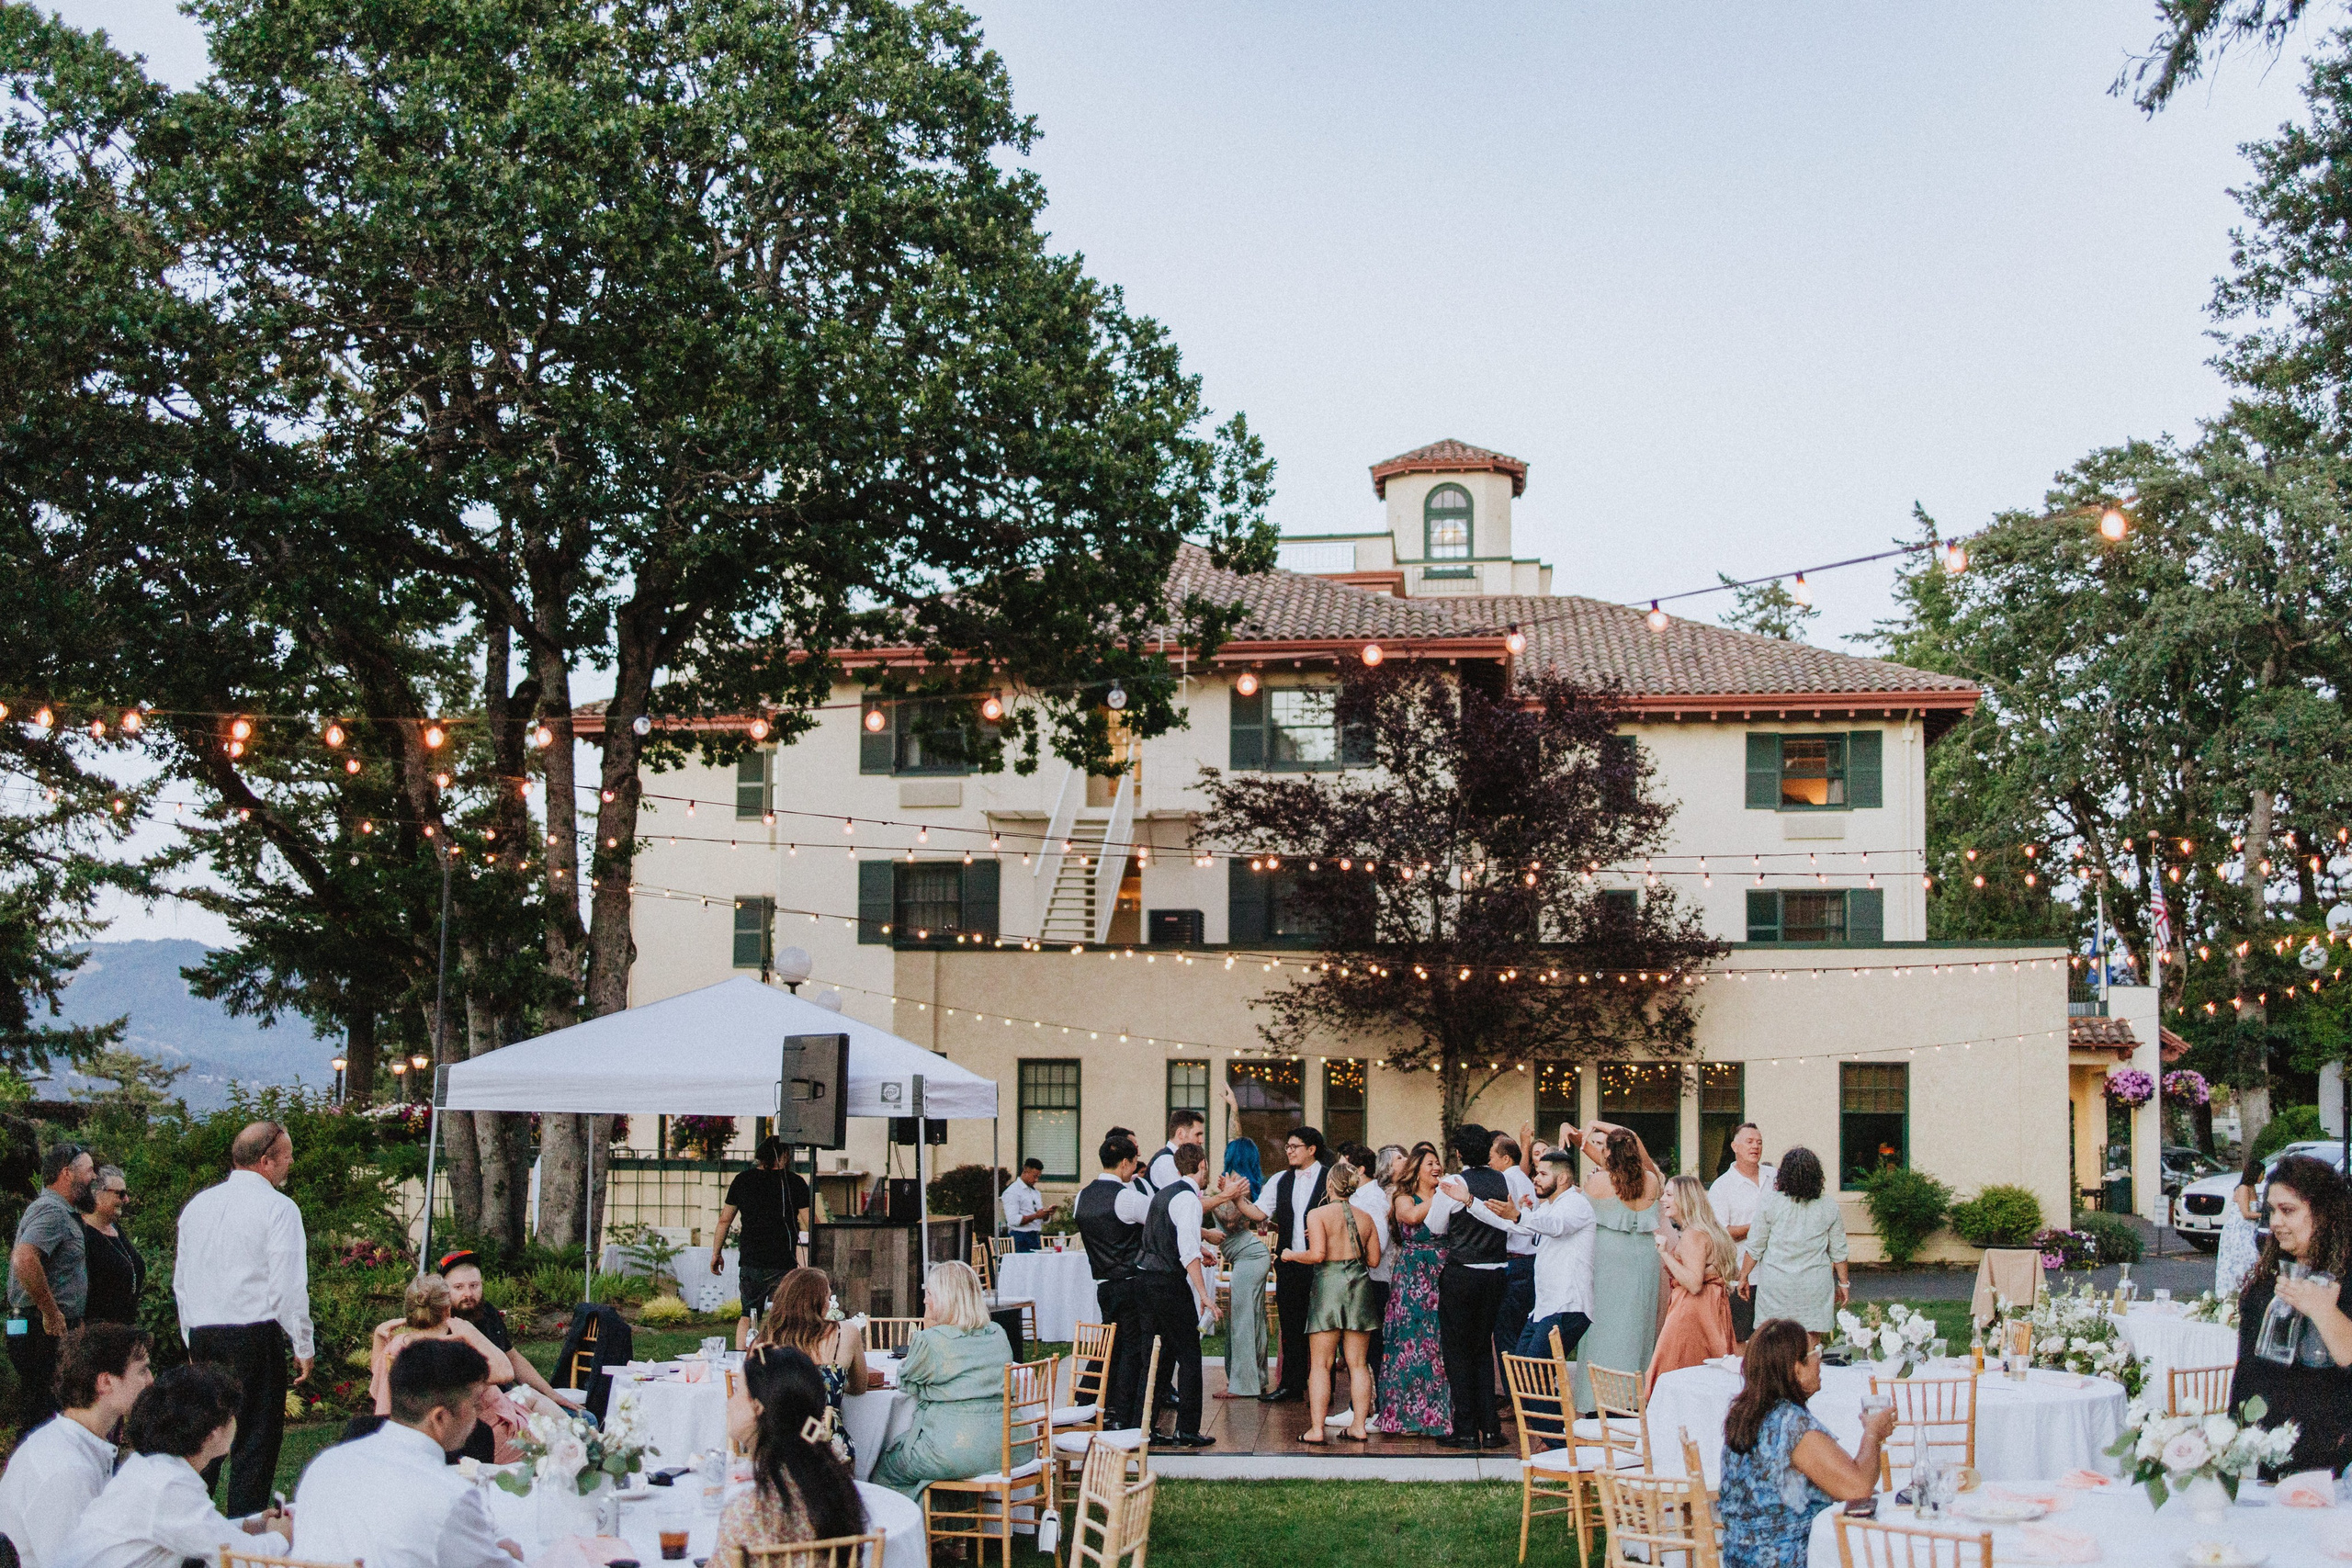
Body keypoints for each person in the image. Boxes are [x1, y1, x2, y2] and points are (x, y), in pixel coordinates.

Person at [171, 1119, 311, 1517]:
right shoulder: (279, 1208)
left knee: (204, 1441)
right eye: (286, 1156)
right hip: (253, 1336)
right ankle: (244, 1540)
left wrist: (191, 1338)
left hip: (204, 1334)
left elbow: (182, 1282)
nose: (291, 1163)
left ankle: (189, 1536)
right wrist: (303, 1343)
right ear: (266, 1161)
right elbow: (286, 1288)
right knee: (254, 1443)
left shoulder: (197, 1206)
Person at [292, 1337, 526, 1566]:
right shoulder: (450, 1495)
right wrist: (509, 1554)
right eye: (475, 1405)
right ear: (440, 1418)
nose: (477, 1415)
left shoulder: (327, 1464)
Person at [54, 1364, 291, 1568]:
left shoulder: (153, 1469)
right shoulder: (170, 1485)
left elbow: (201, 1531)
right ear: (213, 1432)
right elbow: (239, 1560)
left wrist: (248, 1525)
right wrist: (281, 1537)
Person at [1717, 1319, 1894, 1568]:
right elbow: (1858, 1489)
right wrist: (1873, 1435)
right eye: (1815, 1353)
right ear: (1795, 1369)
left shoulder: (1744, 1414)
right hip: (1789, 1559)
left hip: (1741, 1558)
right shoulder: (1790, 1424)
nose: (1820, 1360)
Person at [2230, 1153, 2352, 1476]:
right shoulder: (2268, 1279)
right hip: (2268, 1447)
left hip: (2332, 1456)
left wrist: (2322, 1309)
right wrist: (2234, 1436)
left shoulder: (2347, 1278)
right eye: (2271, 1210)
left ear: (2325, 1214)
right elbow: (2248, 1370)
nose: (2275, 1222)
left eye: (2288, 1210)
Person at [0, 1324, 153, 1568]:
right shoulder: (68, 1470)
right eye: (142, 1371)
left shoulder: (77, 1445)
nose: (150, 1381)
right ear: (106, 1382)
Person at [869, 1261, 1015, 1498]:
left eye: (929, 1294)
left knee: (885, 1466)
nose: (925, 1300)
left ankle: (912, 1530)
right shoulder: (998, 1332)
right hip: (1009, 1447)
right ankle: (955, 1526)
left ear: (946, 1298)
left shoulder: (931, 1340)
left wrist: (928, 1328)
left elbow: (906, 1383)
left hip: (953, 1450)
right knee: (934, 1470)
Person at [718, 1345, 868, 1558]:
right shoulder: (839, 1494)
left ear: (758, 1407)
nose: (729, 1403)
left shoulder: (747, 1514)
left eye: (738, 1392)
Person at [368, 1273, 520, 1461]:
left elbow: (379, 1374)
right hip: (475, 1442)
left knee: (533, 1401)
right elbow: (506, 1372)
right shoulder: (452, 1351)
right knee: (548, 1435)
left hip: (424, 1437)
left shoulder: (399, 1346)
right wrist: (472, 1332)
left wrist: (378, 1337)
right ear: (448, 1310)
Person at [1428, 1123, 1513, 1449]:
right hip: (1496, 1272)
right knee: (1481, 1349)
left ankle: (1465, 1429)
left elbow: (1435, 1226)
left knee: (1458, 1352)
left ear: (1460, 1152)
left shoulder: (1454, 1183)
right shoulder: (1500, 1179)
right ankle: (1490, 1429)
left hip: (1463, 1272)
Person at [1136, 1143, 1225, 1448]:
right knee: (1189, 1353)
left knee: (1157, 1356)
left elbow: (1167, 1234)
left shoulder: (1163, 1193)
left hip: (1144, 1280)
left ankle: (1144, 1426)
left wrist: (1199, 1250)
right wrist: (1204, 1294)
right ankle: (1187, 1429)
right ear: (1201, 1165)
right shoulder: (1189, 1199)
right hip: (1167, 1283)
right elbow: (1187, 1252)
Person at [1286, 1159, 1381, 1444]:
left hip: (1328, 1287)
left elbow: (1317, 1255)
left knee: (1321, 1364)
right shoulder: (1366, 1218)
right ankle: (1359, 1426)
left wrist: (1291, 1255)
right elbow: (1374, 1260)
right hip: (1359, 1286)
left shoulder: (1317, 1214)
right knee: (1358, 1364)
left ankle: (1316, 1430)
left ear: (1330, 1184)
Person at [1574, 1122, 1662, 1415]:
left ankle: (1598, 1400)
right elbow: (1632, 1136)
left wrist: (1590, 1128)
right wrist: (1601, 1126)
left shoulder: (1598, 1183)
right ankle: (1631, 1399)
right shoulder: (1652, 1180)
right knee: (1638, 1326)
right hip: (1644, 1257)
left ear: (1608, 1154)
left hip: (1609, 1257)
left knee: (1605, 1328)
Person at [10, 1142, 95, 1431]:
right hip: (40, 1330)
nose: (94, 1177)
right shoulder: (52, 1210)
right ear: (66, 1174)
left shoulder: (63, 1212)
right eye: (89, 1170)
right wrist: (51, 1311)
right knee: (42, 1416)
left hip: (45, 1327)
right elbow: (24, 1257)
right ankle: (28, 1474)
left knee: (46, 1411)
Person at [1072, 1130, 1153, 1428]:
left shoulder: (1082, 1196)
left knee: (1111, 1346)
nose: (1135, 1169)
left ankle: (1094, 1406)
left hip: (1103, 1284)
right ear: (1124, 1164)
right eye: (1134, 1163)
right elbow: (1161, 1221)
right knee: (1132, 1348)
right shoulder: (1127, 1198)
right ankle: (1121, 1413)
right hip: (1132, 1281)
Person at [1371, 1142, 1453, 1437]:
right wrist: (1442, 1194)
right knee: (1408, 1342)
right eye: (1429, 1163)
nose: (1436, 1167)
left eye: (1438, 1163)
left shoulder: (1448, 1197)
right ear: (1416, 1169)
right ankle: (1404, 1415)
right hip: (1412, 1275)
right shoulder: (1404, 1197)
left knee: (1437, 1343)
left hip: (1443, 1273)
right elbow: (1412, 1217)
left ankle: (1437, 1414)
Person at [754, 1266, 870, 1467]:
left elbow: (752, 1393)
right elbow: (860, 1387)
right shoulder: (845, 1333)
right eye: (827, 1297)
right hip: (827, 1447)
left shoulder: (765, 1339)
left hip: (775, 1446)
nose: (829, 1302)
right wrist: (833, 1385)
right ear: (818, 1303)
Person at [1736, 1146, 1849, 1342]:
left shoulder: (1770, 1202)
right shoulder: (1828, 1205)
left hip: (1776, 1287)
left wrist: (1743, 1277)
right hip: (1814, 1286)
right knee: (1810, 1345)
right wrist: (1844, 1283)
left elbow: (1755, 1246)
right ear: (1817, 1175)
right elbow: (1838, 1251)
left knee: (1774, 1342)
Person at [714, 1136, 813, 1346]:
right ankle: (781, 1359)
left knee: (748, 1315)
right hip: (783, 1261)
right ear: (784, 1156)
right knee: (785, 1315)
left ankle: (741, 1359)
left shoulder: (742, 1180)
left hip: (751, 1260)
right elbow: (811, 1223)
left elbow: (724, 1220)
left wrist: (716, 1253)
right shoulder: (794, 1182)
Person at [1646, 1174, 1738, 1395]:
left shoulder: (1693, 1235)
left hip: (1692, 1314)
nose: (1662, 1199)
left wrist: (1664, 1254)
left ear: (1685, 1199)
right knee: (1708, 1377)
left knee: (1678, 1373)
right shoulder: (1709, 1232)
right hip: (1710, 1311)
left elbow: (1694, 1283)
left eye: (1669, 1194)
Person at [1259, 1126, 1329, 1404]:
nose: (1288, 1151)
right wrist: (1236, 1198)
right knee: (1291, 1327)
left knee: (1324, 1327)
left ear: (1311, 1149)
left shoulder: (1330, 1177)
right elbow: (1259, 1211)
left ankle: (1323, 1386)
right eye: (1287, 1146)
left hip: (1323, 1263)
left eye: (1294, 1146)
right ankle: (1291, 1385)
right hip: (1289, 1262)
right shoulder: (1280, 1179)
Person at [441, 1251, 563, 1405]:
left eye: (474, 1286)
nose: (468, 1294)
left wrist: (552, 1394)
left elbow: (513, 1358)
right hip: (479, 1409)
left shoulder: (488, 1312)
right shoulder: (442, 1324)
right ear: (444, 1290)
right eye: (459, 1287)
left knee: (584, 1416)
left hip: (508, 1399)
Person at [1513, 1146, 1598, 1363]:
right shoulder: (1547, 1207)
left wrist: (1518, 1215)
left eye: (1542, 1174)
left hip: (1567, 1307)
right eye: (1536, 1173)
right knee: (1521, 1372)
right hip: (1544, 1308)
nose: (1535, 1179)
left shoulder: (1576, 1204)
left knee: (1535, 1378)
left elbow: (1556, 1226)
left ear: (1562, 1178)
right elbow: (1517, 1227)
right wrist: (1470, 1202)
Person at [1206, 1124, 1272, 1400]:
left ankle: (1242, 1385)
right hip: (1248, 1256)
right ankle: (1256, 1379)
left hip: (1249, 1255)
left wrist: (1222, 1197)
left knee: (1242, 1322)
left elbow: (1232, 1221)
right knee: (1251, 1320)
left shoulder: (1238, 1183)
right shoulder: (1239, 1180)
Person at [1707, 1123, 1777, 1346]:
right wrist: (1759, 1224)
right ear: (1734, 1147)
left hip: (1777, 1273)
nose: (1755, 1146)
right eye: (1749, 1141)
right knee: (1743, 1339)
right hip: (1742, 1276)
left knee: (1776, 1339)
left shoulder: (1775, 1178)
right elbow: (1722, 1233)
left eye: (1759, 1142)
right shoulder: (1722, 1187)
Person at [1352, 1144, 1402, 1381]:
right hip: (1367, 1277)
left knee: (1373, 1346)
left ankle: (1377, 1406)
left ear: (1360, 1169)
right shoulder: (1361, 1195)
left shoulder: (1372, 1198)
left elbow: (1379, 1244)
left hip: (1373, 1278)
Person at [77, 1168, 141, 1330]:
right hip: (97, 1332)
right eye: (120, 1194)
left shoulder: (115, 1229)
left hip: (125, 1328)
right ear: (98, 1194)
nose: (126, 1199)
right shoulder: (81, 1233)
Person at [2216, 1146, 2267, 1298]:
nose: (2263, 1177)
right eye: (2262, 1174)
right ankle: (2232, 1294)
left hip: (2250, 1231)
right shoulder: (2243, 1188)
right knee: (2246, 1261)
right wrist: (2264, 1215)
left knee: (2253, 1262)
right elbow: (2246, 1213)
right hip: (2239, 1232)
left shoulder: (2252, 1188)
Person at [1000, 1158, 1057, 1253]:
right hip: (1020, 1237)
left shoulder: (1035, 1193)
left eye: (1038, 1177)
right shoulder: (1012, 1192)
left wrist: (1047, 1213)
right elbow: (1013, 1219)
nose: (1036, 1180)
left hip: (1034, 1236)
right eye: (1034, 1176)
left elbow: (1041, 1219)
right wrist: (1036, 1216)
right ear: (1026, 1170)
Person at [1145, 1108, 1208, 1191]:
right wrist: (1224, 1195)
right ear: (1180, 1134)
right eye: (1197, 1134)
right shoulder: (1165, 1161)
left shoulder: (1175, 1159)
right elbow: (1183, 1199)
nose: (1201, 1141)